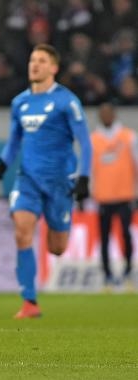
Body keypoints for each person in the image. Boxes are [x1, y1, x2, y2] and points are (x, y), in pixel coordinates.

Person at [0, 44, 92, 319]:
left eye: (42, 61)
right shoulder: (19, 102)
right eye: (33, 60)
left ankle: (57, 225)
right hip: (29, 179)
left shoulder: (66, 101)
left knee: (56, 248)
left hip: (60, 181)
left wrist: (84, 178)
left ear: (53, 68)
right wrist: (3, 163)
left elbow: (85, 142)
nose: (35, 65)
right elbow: (14, 140)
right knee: (22, 231)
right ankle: (29, 302)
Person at [91, 102, 136, 291]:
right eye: (103, 114)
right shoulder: (93, 139)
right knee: (104, 237)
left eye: (109, 113)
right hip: (103, 196)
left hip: (125, 194)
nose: (106, 117)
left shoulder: (129, 137)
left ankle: (127, 269)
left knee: (126, 234)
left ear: (114, 114)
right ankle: (107, 274)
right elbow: (88, 169)